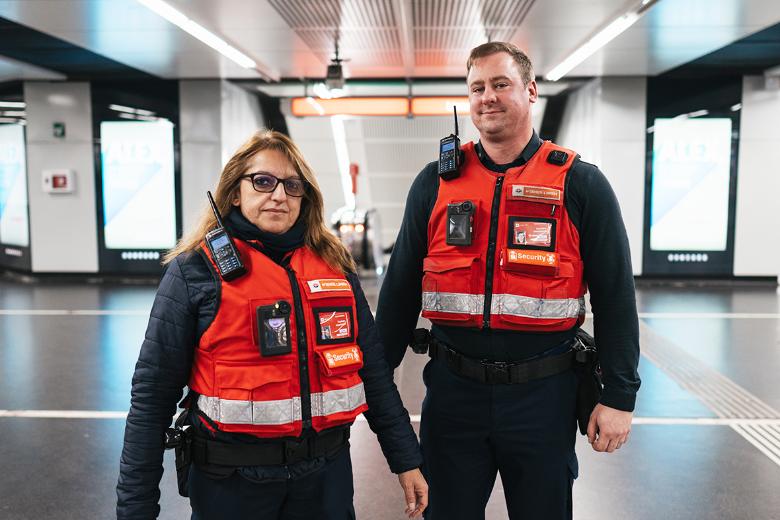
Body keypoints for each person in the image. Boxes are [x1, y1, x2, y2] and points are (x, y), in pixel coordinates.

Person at [376, 42, 641, 519]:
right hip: (453, 396)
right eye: (477, 87)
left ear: (531, 90)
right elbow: (397, 296)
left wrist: (620, 396)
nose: (487, 97)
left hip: (545, 396)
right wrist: (375, 388)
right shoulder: (435, 182)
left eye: (501, 84)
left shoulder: (581, 184)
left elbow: (617, 297)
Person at [117, 130, 428, 519]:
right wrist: (136, 508)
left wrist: (406, 459)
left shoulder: (336, 268)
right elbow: (151, 398)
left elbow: (374, 375)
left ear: (304, 196)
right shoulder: (194, 272)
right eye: (263, 181)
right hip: (232, 486)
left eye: (292, 185)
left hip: (326, 481)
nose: (278, 195)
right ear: (234, 191)